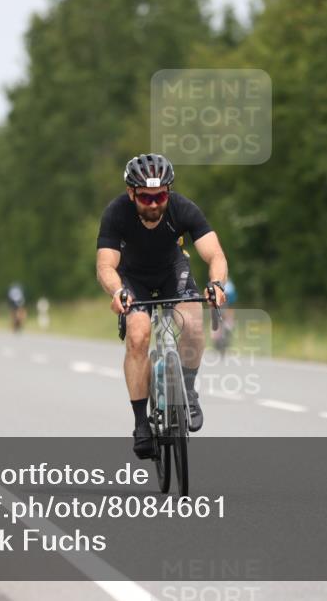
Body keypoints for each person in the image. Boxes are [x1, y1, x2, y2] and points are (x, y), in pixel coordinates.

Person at [95, 153, 228, 459]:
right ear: (132, 193)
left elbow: (215, 254)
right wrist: (117, 292)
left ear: (169, 191)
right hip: (132, 279)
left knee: (193, 327)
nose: (154, 204)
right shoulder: (116, 213)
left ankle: (189, 391)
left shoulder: (182, 208)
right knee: (139, 334)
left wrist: (217, 284)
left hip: (172, 273)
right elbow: (105, 266)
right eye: (146, 197)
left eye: (161, 196)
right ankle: (142, 423)